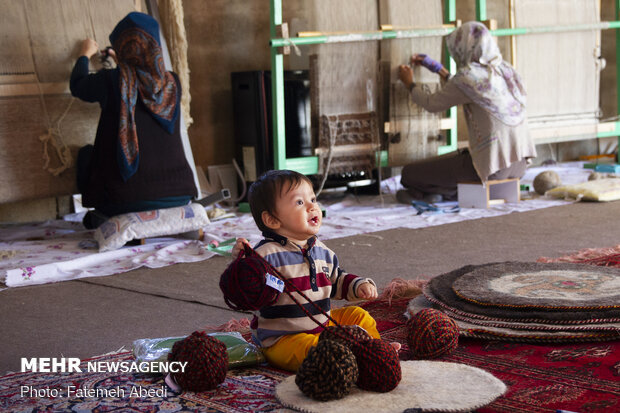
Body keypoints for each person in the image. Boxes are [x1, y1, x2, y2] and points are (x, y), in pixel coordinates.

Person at [232, 169, 400, 372]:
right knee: (311, 350)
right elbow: (246, 286)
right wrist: (243, 261)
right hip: (282, 339)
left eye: (312, 198)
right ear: (272, 220)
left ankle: (376, 350)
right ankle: (354, 359)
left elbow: (336, 280)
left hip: (322, 326)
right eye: (300, 202)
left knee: (359, 316)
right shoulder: (265, 254)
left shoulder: (322, 251)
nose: (312, 206)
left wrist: (358, 285)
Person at [70, 12, 197, 229]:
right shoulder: (173, 82)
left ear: (122, 47)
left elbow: (78, 84)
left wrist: (84, 54)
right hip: (180, 196)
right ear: (154, 44)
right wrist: (120, 62)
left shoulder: (112, 80)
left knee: (85, 155)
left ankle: (104, 215)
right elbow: (139, 79)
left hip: (125, 201)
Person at [397, 21, 537, 203]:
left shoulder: (467, 78)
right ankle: (441, 193)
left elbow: (432, 104)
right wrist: (440, 70)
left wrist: (409, 83)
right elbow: (471, 89)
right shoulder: (506, 70)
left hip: (493, 167)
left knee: (409, 174)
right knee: (458, 159)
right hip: (518, 165)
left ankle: (439, 193)